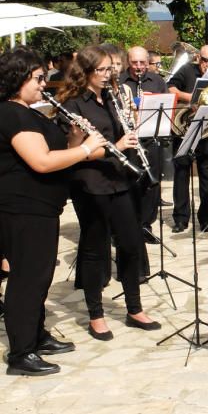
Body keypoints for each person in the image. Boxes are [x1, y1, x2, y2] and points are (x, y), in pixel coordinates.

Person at [0, 48, 106, 375]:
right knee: (26, 278)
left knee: (41, 275)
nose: (44, 83)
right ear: (17, 79)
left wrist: (75, 141)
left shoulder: (30, 112)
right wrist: (87, 149)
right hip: (22, 208)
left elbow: (56, 154)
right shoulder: (10, 113)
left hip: (41, 208)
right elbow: (41, 161)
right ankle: (21, 352)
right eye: (38, 78)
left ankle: (36, 334)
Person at [57, 46, 161, 341]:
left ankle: (134, 308)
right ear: (86, 72)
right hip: (90, 183)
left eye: (109, 70)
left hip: (119, 179)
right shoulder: (73, 104)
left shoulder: (112, 98)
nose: (107, 75)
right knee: (94, 250)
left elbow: (119, 139)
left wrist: (129, 133)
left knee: (130, 244)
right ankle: (96, 315)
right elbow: (76, 152)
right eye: (101, 70)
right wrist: (118, 142)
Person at [167, 44, 208, 233]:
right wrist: (190, 98)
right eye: (205, 60)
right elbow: (170, 87)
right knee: (181, 174)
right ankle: (181, 219)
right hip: (183, 129)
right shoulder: (186, 70)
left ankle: (206, 218)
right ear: (198, 57)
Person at [120, 46, 168, 243]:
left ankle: (146, 224)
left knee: (152, 182)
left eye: (142, 63)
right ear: (128, 62)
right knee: (130, 183)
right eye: (134, 63)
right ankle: (128, 225)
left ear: (148, 63)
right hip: (128, 138)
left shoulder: (157, 80)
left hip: (151, 137)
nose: (138, 67)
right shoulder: (121, 81)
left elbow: (166, 104)